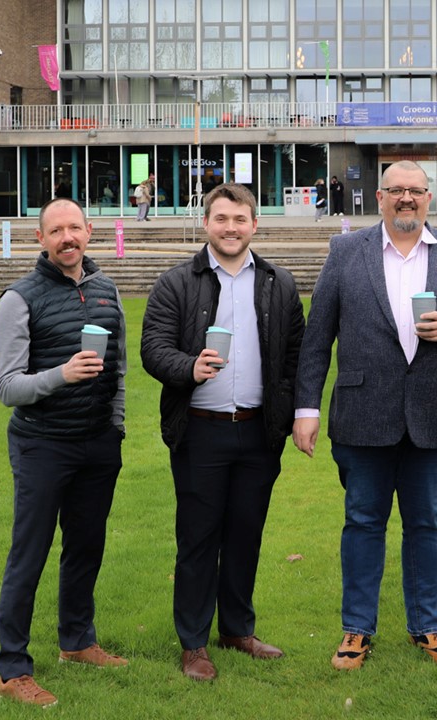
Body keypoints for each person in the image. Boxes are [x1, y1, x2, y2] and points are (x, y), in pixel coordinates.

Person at [292, 160, 437, 671]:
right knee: (362, 523)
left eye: (416, 191)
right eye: (396, 190)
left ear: (429, 198)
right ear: (379, 197)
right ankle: (356, 631)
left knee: (427, 524)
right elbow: (318, 337)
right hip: (364, 413)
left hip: (434, 414)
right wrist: (306, 408)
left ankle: (427, 627)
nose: (406, 199)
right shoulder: (346, 251)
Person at [140, 182, 305, 682]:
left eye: (240, 220)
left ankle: (237, 629)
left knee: (245, 535)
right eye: (221, 219)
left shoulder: (279, 282)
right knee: (197, 539)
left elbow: (296, 357)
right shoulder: (177, 282)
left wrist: (299, 412)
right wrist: (190, 367)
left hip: (258, 431)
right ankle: (194, 643)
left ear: (254, 224)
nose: (230, 228)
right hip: (200, 432)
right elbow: (153, 348)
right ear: (206, 223)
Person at [0, 198, 128, 708]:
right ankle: (12, 668)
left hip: (97, 444)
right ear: (40, 239)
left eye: (75, 227)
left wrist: (114, 427)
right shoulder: (18, 299)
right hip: (42, 443)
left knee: (85, 547)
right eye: (56, 230)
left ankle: (77, 642)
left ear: (89, 231)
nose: (67, 237)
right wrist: (61, 375)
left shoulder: (106, 290)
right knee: (29, 553)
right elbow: (8, 387)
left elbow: (117, 370)